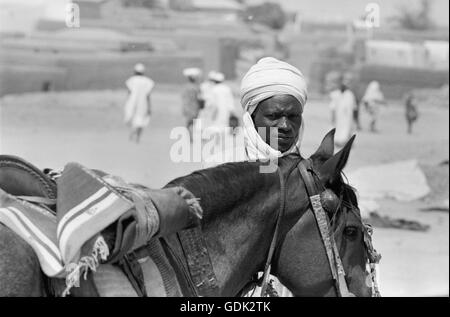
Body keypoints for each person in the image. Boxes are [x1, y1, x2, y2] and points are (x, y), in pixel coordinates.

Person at [203, 57, 308, 297]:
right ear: (251, 117)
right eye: (274, 116)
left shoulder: (307, 176)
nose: (285, 126)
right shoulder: (220, 166)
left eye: (294, 117)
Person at [124, 63, 154, 143]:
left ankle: (133, 132)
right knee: (142, 120)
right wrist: (149, 106)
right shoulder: (147, 81)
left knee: (133, 118)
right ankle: (138, 136)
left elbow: (129, 92)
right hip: (143, 103)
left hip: (132, 102)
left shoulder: (131, 80)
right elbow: (148, 95)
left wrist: (127, 102)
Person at [330, 74, 357, 148]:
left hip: (348, 116)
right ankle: (338, 141)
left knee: (347, 128)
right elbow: (333, 107)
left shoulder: (350, 95)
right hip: (339, 116)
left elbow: (354, 107)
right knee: (338, 128)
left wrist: (355, 118)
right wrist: (333, 117)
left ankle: (345, 142)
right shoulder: (336, 94)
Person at [181, 68, 203, 141]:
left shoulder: (185, 87)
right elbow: (199, 97)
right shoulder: (196, 87)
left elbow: (183, 97)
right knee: (193, 122)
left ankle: (190, 136)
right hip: (194, 106)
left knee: (189, 122)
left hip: (187, 106)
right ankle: (191, 136)